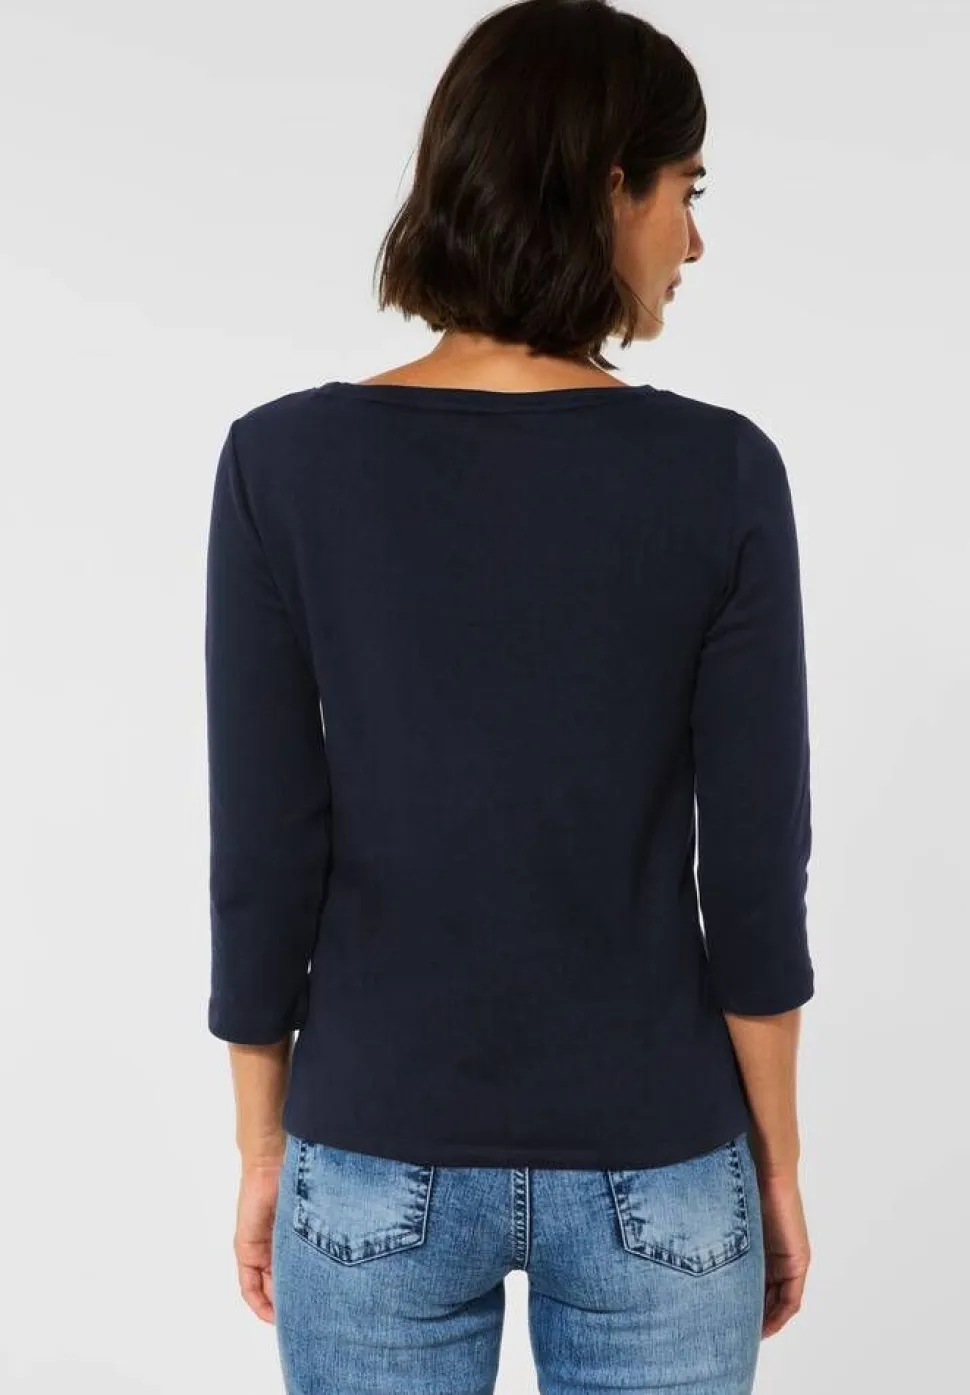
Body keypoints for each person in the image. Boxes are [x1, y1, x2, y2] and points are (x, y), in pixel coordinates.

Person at [203, 2, 816, 1391]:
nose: (693, 242)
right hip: (660, 1158)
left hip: (371, 1151)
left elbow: (263, 856)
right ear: (610, 184)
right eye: (687, 192)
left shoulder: (282, 467)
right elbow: (754, 877)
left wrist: (263, 1143)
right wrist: (774, 1164)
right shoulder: (719, 474)